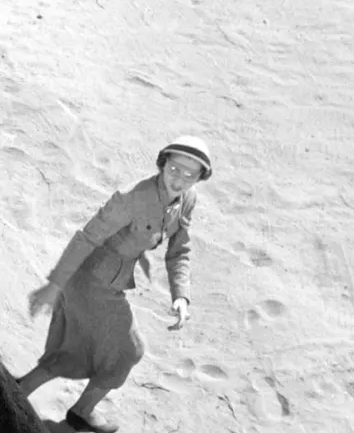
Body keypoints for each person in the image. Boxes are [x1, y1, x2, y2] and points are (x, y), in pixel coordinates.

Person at [18, 136, 213, 433]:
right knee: (129, 351)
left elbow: (179, 251)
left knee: (77, 348)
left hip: (112, 283)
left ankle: (21, 395)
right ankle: (70, 409)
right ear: (163, 164)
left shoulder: (187, 199)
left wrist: (180, 296)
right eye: (174, 169)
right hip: (88, 281)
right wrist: (55, 285)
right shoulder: (131, 198)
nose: (179, 179)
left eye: (190, 175)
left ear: (199, 178)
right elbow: (86, 238)